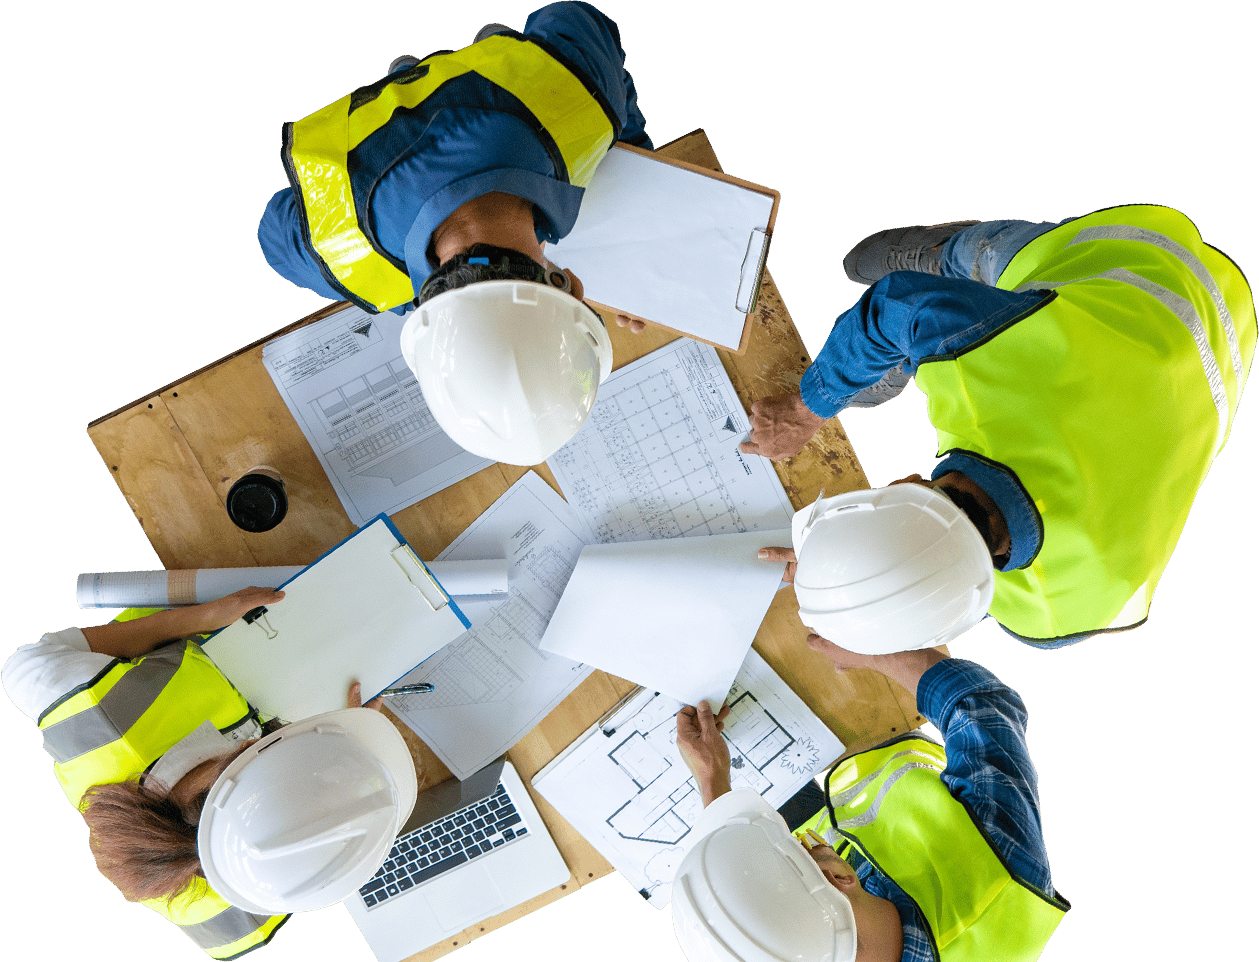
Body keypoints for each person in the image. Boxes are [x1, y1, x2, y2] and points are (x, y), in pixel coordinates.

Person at [742, 207, 1254, 647]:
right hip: (1147, 265)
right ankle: (941, 261)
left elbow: (935, 570)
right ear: (904, 485)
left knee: (946, 309)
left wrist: (849, 574)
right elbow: (896, 304)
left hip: (1221, 358)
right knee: (980, 261)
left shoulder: (1068, 615)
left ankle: (924, 296)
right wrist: (807, 410)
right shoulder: (988, 363)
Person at [670, 639, 1068, 962]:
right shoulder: (999, 869)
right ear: (839, 875)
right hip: (875, 723)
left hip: (810, 818)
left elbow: (738, 918)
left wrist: (714, 781)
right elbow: (983, 706)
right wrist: (876, 651)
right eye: (798, 846)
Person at [258, 3, 651, 464]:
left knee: (500, 51)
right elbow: (273, 232)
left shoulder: (578, 97)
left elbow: (578, 17)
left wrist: (625, 151)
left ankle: (480, 54)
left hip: (517, 89)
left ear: (572, 286)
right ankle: (417, 75)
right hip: (380, 134)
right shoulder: (350, 249)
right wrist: (417, 286)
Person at [2, 588, 416, 960]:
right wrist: (339, 746)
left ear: (235, 761)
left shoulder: (97, 711)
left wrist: (202, 617)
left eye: (261, 752)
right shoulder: (239, 914)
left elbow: (23, 665)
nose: (256, 743)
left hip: (192, 609)